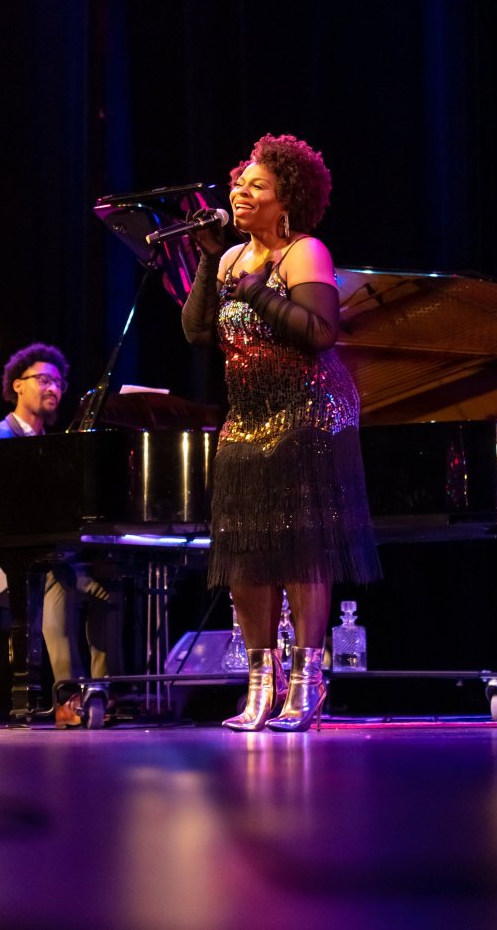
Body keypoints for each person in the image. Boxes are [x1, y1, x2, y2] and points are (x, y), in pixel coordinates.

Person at [181, 134, 382, 732]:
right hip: (246, 418)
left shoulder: (304, 252)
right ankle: (258, 686)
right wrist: (205, 260)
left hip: (309, 411)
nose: (240, 192)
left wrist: (256, 292)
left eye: (255, 185)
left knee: (301, 550)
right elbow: (197, 333)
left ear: (285, 198)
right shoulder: (228, 260)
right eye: (238, 182)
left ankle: (307, 682)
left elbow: (320, 334)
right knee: (246, 553)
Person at [0, 342, 123, 724]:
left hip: (48, 556)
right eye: (44, 379)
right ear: (18, 385)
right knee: (56, 580)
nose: (53, 388)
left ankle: (100, 693)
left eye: (59, 383)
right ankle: (67, 698)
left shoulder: (60, 447)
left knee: (110, 587)